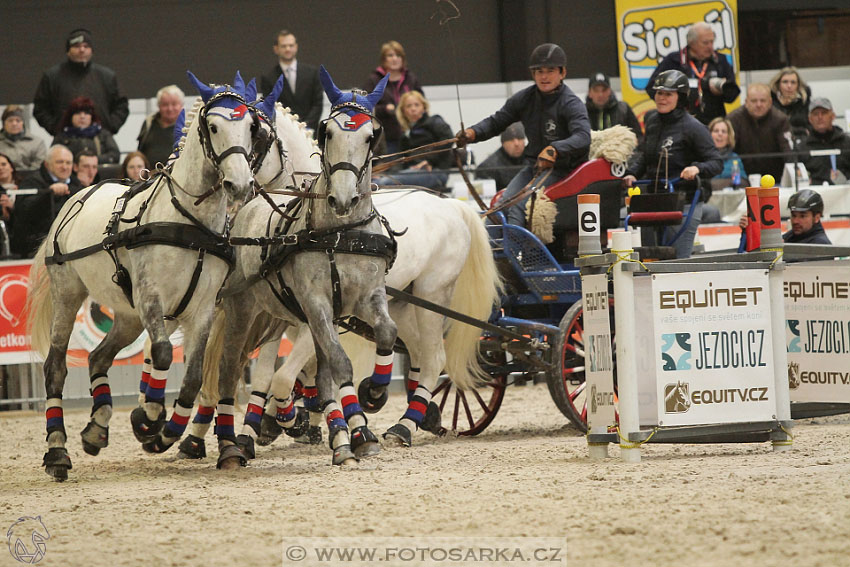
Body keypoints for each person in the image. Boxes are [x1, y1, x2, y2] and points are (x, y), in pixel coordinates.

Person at [457, 43, 591, 227]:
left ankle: (518, 255)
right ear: (533, 74)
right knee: (500, 206)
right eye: (539, 71)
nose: (544, 76)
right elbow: (497, 121)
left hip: (566, 171)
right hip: (535, 167)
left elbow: (583, 137)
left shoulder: (571, 104)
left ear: (562, 73)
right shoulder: (524, 99)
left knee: (520, 206)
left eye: (550, 70)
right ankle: (493, 253)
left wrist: (555, 149)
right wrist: (472, 133)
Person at [623, 70, 722, 258]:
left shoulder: (694, 127)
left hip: (684, 202)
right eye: (659, 93)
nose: (661, 98)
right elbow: (646, 155)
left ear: (681, 97)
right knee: (650, 260)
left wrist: (697, 168)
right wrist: (632, 173)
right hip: (653, 201)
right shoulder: (651, 121)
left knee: (677, 262)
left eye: (668, 94)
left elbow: (716, 162)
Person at [32, 29, 129, 135]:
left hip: (101, 142)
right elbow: (40, 108)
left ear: (92, 50)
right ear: (68, 51)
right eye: (77, 46)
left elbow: (122, 106)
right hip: (65, 142)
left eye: (86, 46)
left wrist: (109, 128)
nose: (82, 50)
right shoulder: (52, 76)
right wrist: (56, 129)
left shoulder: (107, 76)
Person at [646, 22, 740, 125]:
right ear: (692, 43)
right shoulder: (674, 60)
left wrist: (722, 90)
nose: (710, 47)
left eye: (712, 42)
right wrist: (674, 100)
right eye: (705, 43)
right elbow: (652, 87)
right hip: (679, 123)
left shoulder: (720, 61)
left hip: (712, 125)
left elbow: (732, 95)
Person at [373, 91, 454, 191]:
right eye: (409, 106)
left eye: (417, 105)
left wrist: (429, 161)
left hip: (434, 172)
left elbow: (448, 139)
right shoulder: (405, 134)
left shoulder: (434, 121)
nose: (413, 109)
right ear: (403, 111)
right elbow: (400, 159)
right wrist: (384, 173)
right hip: (411, 172)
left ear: (424, 107)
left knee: (383, 183)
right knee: (377, 181)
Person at [13, 145, 83, 257]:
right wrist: (48, 194)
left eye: (68, 163)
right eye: (60, 162)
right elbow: (24, 211)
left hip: (72, 243)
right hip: (38, 246)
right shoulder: (31, 181)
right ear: (47, 164)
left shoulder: (78, 185)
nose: (65, 167)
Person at [362, 41, 423, 154]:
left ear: (403, 59)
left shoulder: (411, 78)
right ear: (384, 59)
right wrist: (384, 109)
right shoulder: (374, 80)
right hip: (385, 137)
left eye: (398, 55)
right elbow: (365, 106)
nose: (395, 59)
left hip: (412, 134)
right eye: (390, 55)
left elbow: (422, 102)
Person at [260, 30, 324, 133]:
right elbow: (271, 106)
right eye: (283, 46)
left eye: (291, 45)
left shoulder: (312, 73)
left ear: (296, 47)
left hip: (310, 133)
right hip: (284, 134)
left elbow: (317, 104)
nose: (288, 49)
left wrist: (305, 126)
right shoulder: (268, 77)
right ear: (276, 49)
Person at [727, 83, 791, 182]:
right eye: (754, 101)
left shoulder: (780, 119)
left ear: (770, 102)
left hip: (775, 178)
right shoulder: (733, 119)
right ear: (746, 102)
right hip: (742, 179)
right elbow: (728, 150)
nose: (758, 105)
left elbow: (788, 152)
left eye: (763, 101)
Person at [740, 188, 831, 245]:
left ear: (817, 218)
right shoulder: (791, 236)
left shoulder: (821, 244)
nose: (795, 221)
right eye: (793, 215)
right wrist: (749, 232)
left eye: (802, 216)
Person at [51, 96, 120, 164]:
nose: (82, 116)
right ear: (70, 116)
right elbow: (52, 158)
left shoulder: (103, 134)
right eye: (78, 113)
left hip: (99, 172)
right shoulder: (61, 137)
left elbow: (115, 155)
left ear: (92, 117)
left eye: (86, 113)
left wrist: (93, 160)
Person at [801, 97, 850, 185]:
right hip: (813, 194)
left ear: (833, 116)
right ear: (810, 119)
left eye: (824, 113)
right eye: (815, 114)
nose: (820, 117)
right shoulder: (802, 147)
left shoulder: (847, 142)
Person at [585, 73, 642, 140]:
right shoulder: (581, 112)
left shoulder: (623, 109)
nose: (600, 94)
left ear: (609, 91)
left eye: (604, 90)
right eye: (596, 90)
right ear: (589, 93)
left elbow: (638, 137)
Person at [137, 85, 184, 166]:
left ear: (181, 105)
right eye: (165, 105)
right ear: (158, 106)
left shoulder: (187, 127)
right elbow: (140, 151)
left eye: (174, 104)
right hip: (149, 175)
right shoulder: (149, 123)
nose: (170, 108)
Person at [476, 122, 526, 191]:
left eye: (520, 138)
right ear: (503, 143)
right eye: (511, 140)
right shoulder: (487, 168)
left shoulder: (536, 160)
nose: (516, 143)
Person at [768, 67, 811, 145]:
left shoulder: (804, 102)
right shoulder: (770, 102)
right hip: (775, 143)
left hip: (801, 143)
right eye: (785, 82)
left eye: (793, 82)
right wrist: (801, 130)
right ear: (778, 84)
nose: (789, 86)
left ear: (798, 85)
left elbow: (809, 126)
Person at [0, 106, 47, 171]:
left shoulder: (37, 143)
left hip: (30, 178)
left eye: (18, 120)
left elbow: (39, 165)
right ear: (4, 123)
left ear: (23, 123)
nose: (14, 124)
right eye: (10, 120)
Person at [708, 117, 746, 182]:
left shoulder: (735, 158)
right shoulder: (702, 157)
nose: (720, 134)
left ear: (729, 137)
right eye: (716, 131)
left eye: (724, 131)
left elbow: (744, 182)